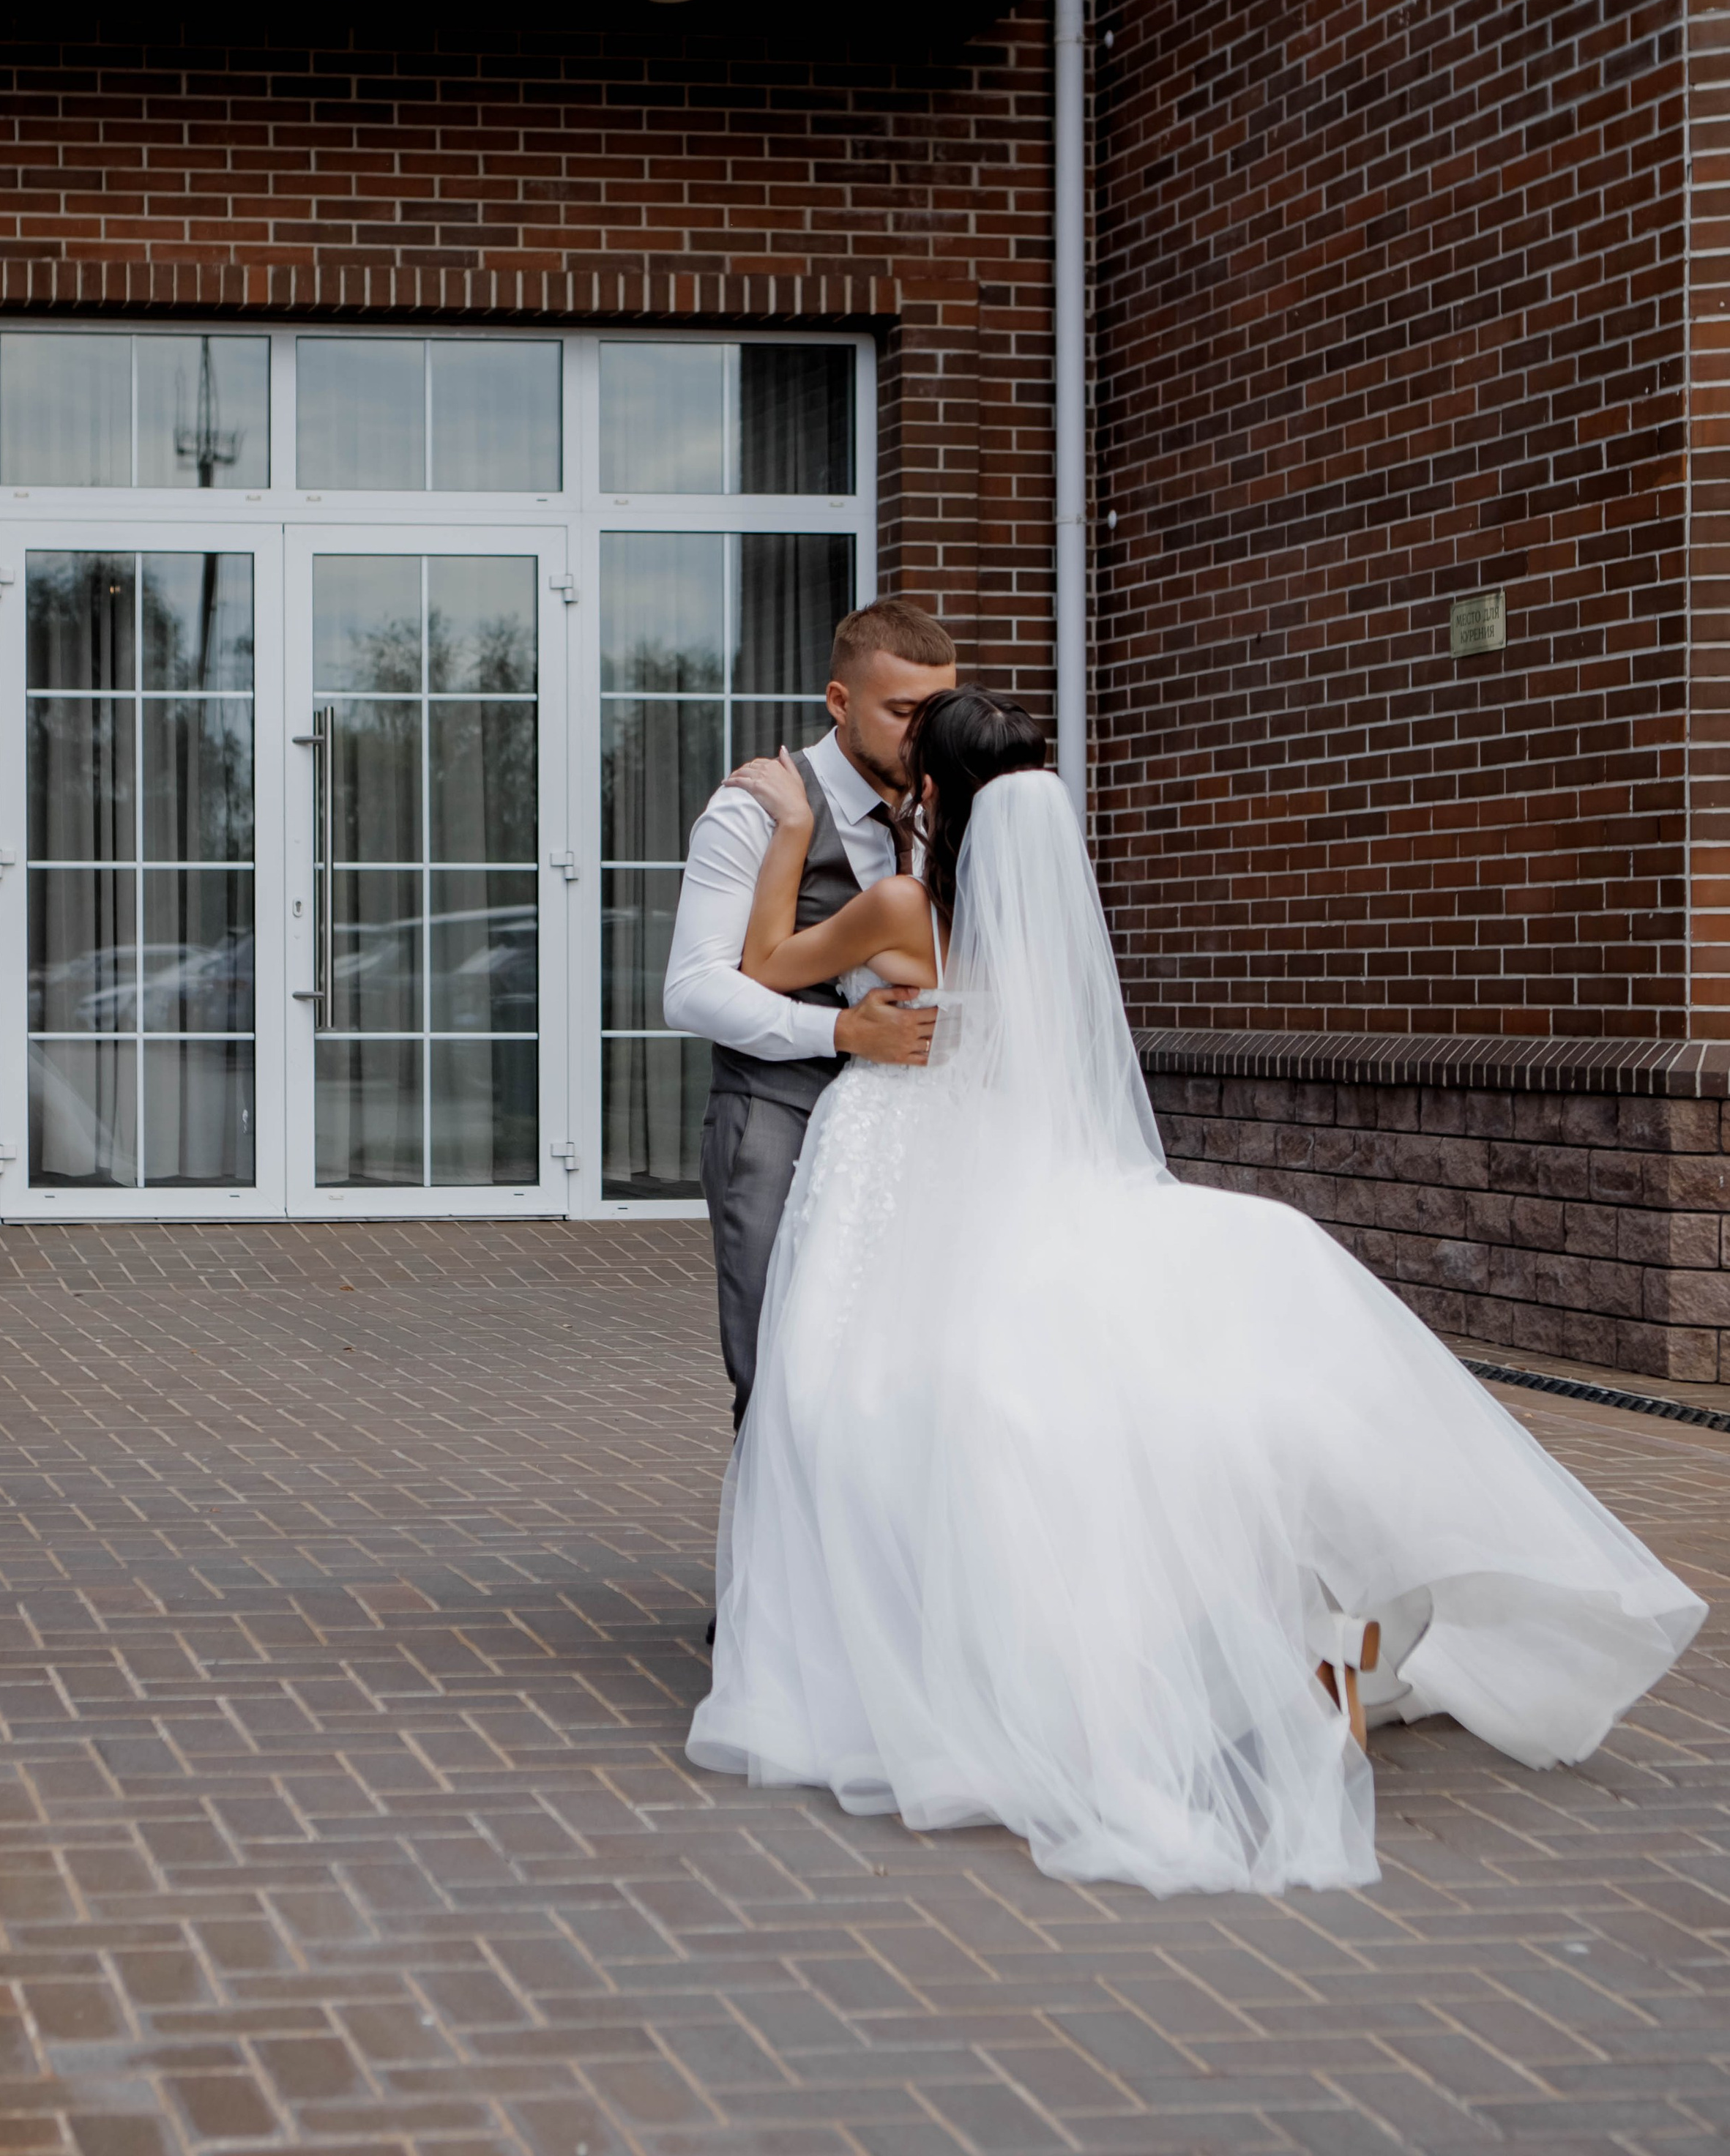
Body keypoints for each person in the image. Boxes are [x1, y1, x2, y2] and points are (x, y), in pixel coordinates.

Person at [686, 688, 1706, 1896]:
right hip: (1005, 1165)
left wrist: (791, 828)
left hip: (895, 1177)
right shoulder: (1036, 917)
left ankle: (915, 1658)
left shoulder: (903, 903)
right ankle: (1303, 1631)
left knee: (836, 1397)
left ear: (933, 796)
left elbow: (758, 967)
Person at [663, 598, 956, 1432]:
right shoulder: (753, 809)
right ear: (839, 701)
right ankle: (772, 1564)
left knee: (888, 1375)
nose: (920, 735)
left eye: (935, 714)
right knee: (779, 1369)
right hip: (776, 1114)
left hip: (909, 1130)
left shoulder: (946, 812)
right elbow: (690, 988)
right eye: (901, 712)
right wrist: (836, 1032)